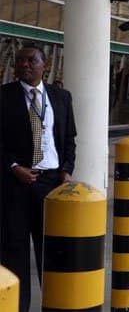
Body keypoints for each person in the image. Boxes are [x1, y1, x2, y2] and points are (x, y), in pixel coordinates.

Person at [0, 45, 77, 311]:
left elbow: (69, 139)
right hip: (15, 185)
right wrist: (12, 166)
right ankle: (17, 305)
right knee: (14, 248)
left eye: (31, 60)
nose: (25, 65)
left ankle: (54, 303)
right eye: (20, 61)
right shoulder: (4, 96)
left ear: (45, 64)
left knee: (51, 248)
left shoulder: (61, 97)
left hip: (52, 184)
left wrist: (67, 170)